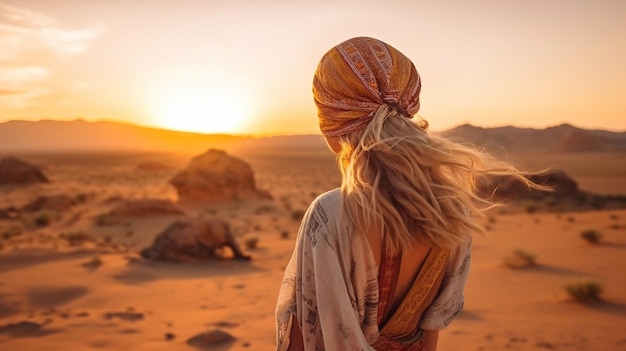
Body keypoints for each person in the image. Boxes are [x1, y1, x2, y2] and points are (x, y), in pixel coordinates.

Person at [275, 36, 542, 351]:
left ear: (331, 118)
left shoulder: (331, 215)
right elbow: (432, 331)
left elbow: (303, 338)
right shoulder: (451, 210)